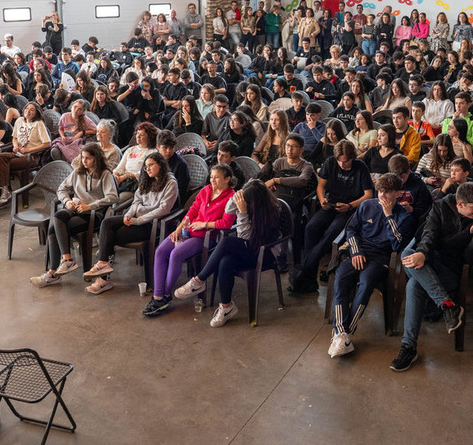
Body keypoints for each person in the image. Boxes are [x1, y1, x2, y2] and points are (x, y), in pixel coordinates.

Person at [389, 182, 473, 371]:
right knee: (409, 264)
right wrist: (423, 254)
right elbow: (429, 235)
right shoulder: (440, 206)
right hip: (430, 262)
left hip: (451, 272)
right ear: (460, 204)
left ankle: (409, 347)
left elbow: (468, 257)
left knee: (413, 282)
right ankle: (446, 306)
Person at [175, 179, 287, 326]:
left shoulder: (272, 211)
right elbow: (229, 214)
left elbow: (244, 238)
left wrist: (242, 212)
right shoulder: (250, 205)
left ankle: (199, 280)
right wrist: (235, 200)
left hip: (264, 253)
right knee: (225, 261)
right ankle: (226, 307)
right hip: (250, 249)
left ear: (256, 201)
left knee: (227, 242)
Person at [329, 172, 415, 358]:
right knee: (341, 278)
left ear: (398, 194)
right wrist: (355, 251)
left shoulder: (404, 217)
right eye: (380, 191)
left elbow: (397, 245)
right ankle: (340, 333)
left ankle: (345, 333)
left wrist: (388, 215)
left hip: (382, 257)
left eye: (387, 192)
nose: (382, 196)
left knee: (366, 282)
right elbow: (351, 229)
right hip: (359, 251)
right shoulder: (367, 205)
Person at [143, 163, 236, 316]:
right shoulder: (206, 190)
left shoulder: (231, 197)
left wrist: (204, 224)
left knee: (175, 254)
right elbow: (192, 210)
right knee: (160, 251)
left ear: (227, 179)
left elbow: (226, 223)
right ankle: (158, 296)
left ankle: (165, 296)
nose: (212, 180)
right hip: (189, 231)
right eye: (211, 177)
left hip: (205, 237)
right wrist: (178, 229)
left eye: (217, 177)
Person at [84, 152, 179, 294]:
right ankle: (103, 265)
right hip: (137, 218)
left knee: (113, 235)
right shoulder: (147, 179)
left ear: (160, 164)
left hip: (153, 224)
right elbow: (136, 201)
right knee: (107, 223)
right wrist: (128, 215)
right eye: (146, 167)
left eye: (151, 165)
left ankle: (104, 280)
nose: (147, 169)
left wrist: (137, 220)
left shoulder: (170, 183)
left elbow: (163, 210)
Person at [289, 140, 373, 295]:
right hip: (332, 204)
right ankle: (309, 279)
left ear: (352, 158)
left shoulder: (360, 167)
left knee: (332, 232)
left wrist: (350, 205)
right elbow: (321, 186)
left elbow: (368, 195)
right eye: (339, 162)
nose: (342, 165)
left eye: (346, 161)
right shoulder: (330, 162)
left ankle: (304, 274)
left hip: (350, 208)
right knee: (311, 228)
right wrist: (322, 200)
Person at [30, 143, 120, 287]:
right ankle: (67, 260)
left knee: (54, 229)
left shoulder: (105, 174)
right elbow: (62, 189)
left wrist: (90, 206)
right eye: (83, 157)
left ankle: (53, 273)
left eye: (88, 158)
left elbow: (113, 197)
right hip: (75, 208)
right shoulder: (78, 172)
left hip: (93, 214)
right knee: (57, 217)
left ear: (96, 159)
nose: (84, 161)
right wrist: (67, 201)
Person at [0, 102, 51, 207]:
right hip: (18, 153)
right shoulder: (19, 121)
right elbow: (14, 138)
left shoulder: (39, 124)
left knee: (1, 165)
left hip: (32, 156)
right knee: (0, 157)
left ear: (36, 112)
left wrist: (29, 150)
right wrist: (15, 146)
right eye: (26, 109)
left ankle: (4, 192)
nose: (28, 111)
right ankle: (5, 190)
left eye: (32, 110)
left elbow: (47, 144)